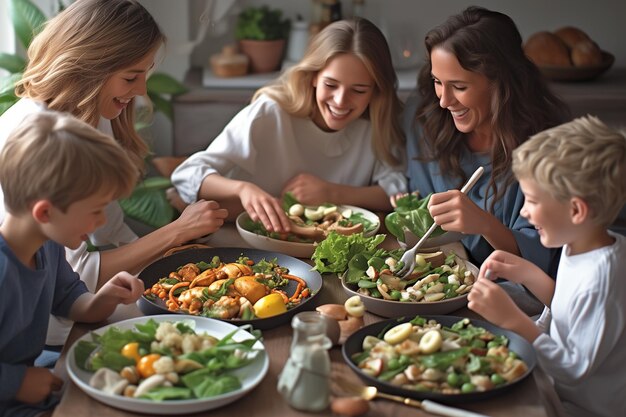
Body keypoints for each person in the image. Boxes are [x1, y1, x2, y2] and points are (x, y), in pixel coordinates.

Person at [0, 0, 228, 347]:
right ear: (89, 67)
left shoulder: (90, 117)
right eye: (131, 77)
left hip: (79, 307)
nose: (141, 91)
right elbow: (78, 275)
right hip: (43, 333)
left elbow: (112, 227)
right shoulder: (39, 139)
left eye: (145, 75)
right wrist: (177, 231)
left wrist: (171, 266)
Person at [171, 17, 407, 235]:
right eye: (330, 84)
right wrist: (243, 189)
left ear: (376, 90)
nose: (340, 101)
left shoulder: (374, 124)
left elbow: (395, 193)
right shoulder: (271, 112)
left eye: (359, 90)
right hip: (243, 237)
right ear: (313, 76)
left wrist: (330, 192)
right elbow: (186, 175)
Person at [467, 116, 626, 417]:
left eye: (532, 200)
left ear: (576, 210)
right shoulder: (581, 242)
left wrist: (514, 320)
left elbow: (574, 368)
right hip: (554, 384)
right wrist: (528, 273)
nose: (524, 211)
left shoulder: (601, 279)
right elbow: (568, 310)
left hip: (580, 406)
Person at [403, 6, 570, 277]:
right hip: (434, 276)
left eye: (459, 87)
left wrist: (485, 225)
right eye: (437, 81)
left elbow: (544, 265)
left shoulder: (549, 148)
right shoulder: (424, 116)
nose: (444, 101)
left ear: (501, 83)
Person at [0, 112, 146, 417]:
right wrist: (15, 382)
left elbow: (69, 300)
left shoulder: (47, 244)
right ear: (45, 213)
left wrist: (102, 299)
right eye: (95, 211)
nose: (102, 221)